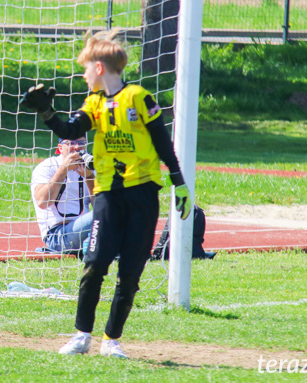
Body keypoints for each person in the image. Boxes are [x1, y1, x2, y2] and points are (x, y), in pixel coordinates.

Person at [19, 29, 192, 360]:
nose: (83, 74)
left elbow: (162, 142)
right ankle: (82, 336)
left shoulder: (140, 98)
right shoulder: (94, 103)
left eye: (85, 68)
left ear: (99, 67)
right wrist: (47, 113)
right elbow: (71, 129)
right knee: (95, 263)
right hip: (109, 194)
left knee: (130, 270)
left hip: (142, 195)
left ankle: (111, 340)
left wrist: (179, 182)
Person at [31, 138, 95, 255]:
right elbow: (42, 202)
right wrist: (63, 169)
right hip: (57, 236)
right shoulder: (47, 167)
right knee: (106, 212)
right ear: (60, 148)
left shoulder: (89, 165)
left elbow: (99, 205)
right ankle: (93, 249)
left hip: (87, 229)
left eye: (81, 143)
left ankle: (96, 246)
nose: (77, 147)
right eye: (71, 142)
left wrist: (90, 177)